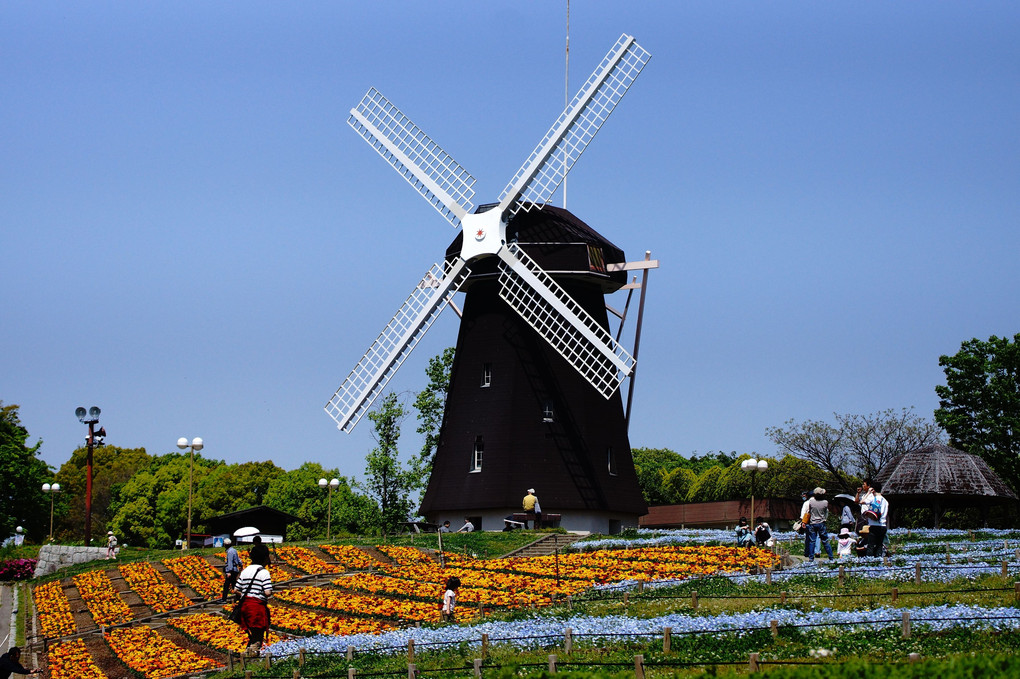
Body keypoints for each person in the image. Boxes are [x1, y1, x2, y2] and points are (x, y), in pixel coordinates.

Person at [234, 546, 273, 657]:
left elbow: (236, 589)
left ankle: (245, 657)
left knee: (253, 636)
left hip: (245, 607)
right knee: (257, 638)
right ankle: (250, 658)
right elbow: (267, 592)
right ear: (265, 558)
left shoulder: (245, 570)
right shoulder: (264, 572)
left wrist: (247, 594)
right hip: (256, 607)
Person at [805, 487, 834, 561]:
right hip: (821, 523)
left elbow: (809, 511)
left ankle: (811, 558)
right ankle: (831, 557)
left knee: (812, 541)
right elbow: (825, 512)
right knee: (825, 540)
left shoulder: (811, 502)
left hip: (812, 523)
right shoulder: (825, 502)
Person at [863, 482, 890, 557]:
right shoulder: (885, 501)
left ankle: (869, 562)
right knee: (879, 546)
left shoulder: (873, 499)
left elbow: (861, 502)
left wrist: (868, 493)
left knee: (870, 546)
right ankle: (878, 562)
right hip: (883, 525)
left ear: (873, 490)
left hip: (874, 525)